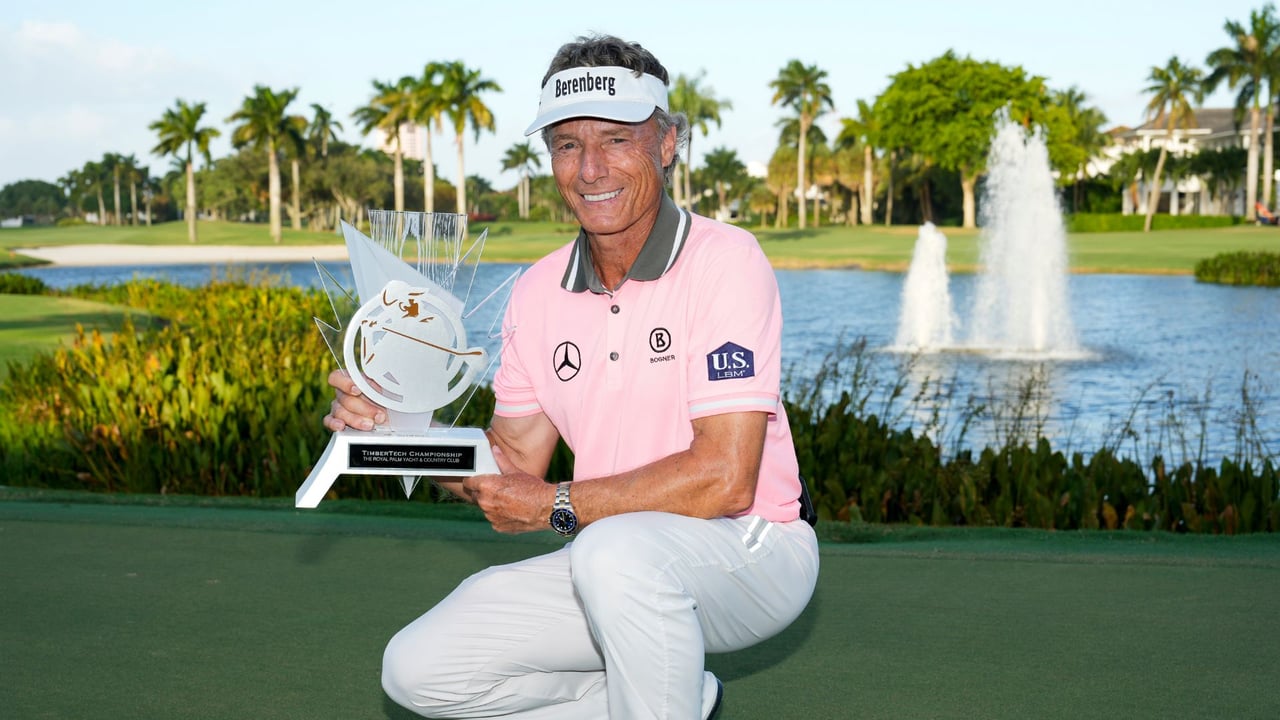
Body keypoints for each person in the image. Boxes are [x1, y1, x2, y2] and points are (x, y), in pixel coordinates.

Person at [324, 33, 819, 719]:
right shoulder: (537, 291)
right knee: (419, 670)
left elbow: (726, 477)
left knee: (613, 552)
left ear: (667, 142)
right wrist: (400, 429)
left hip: (752, 551)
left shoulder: (726, 261)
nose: (589, 168)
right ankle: (670, 700)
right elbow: (510, 463)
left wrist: (558, 504)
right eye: (566, 144)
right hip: (610, 561)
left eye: (616, 139)